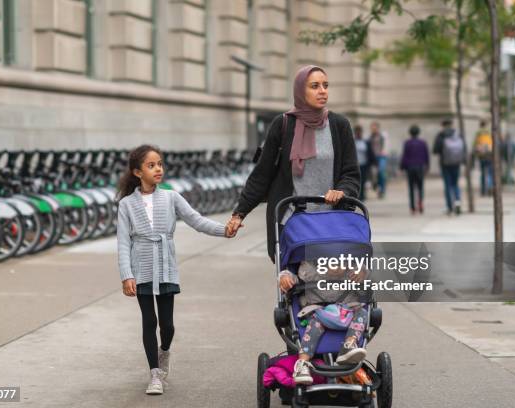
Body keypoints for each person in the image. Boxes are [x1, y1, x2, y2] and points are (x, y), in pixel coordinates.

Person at [117, 145, 235, 395]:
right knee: (149, 321)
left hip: (166, 267)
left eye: (159, 163)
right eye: (151, 165)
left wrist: (224, 230)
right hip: (142, 269)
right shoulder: (126, 205)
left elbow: (196, 220)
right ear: (138, 172)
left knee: (167, 325)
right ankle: (154, 375)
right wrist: (127, 275)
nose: (158, 169)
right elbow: (123, 243)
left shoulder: (171, 197)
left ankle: (164, 352)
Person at [226, 65, 361, 257]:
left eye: (325, 85)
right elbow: (262, 174)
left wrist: (343, 191)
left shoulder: (340, 125)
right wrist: (239, 213)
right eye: (314, 86)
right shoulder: (283, 125)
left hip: (330, 220)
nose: (322, 91)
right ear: (300, 90)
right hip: (291, 220)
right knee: (293, 283)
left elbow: (351, 172)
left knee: (329, 283)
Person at [279, 262, 368, 384]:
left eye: (341, 261)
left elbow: (366, 276)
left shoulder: (353, 271)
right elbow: (295, 278)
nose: (337, 266)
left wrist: (363, 273)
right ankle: (303, 363)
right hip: (320, 312)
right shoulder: (310, 270)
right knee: (314, 325)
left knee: (362, 312)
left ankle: (349, 345)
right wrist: (285, 277)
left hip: (346, 311)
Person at [433, 119, 466, 215]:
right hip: (456, 163)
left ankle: (450, 207)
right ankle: (458, 202)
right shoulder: (458, 134)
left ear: (443, 125)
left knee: (448, 185)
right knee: (455, 184)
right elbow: (464, 148)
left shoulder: (441, 135)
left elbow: (435, 150)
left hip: (445, 164)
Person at [400, 124, 430, 214]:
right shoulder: (423, 143)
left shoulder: (407, 143)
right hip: (420, 167)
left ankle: (412, 207)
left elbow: (405, 156)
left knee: (411, 188)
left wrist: (402, 167)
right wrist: (427, 165)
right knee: (420, 187)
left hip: (410, 168)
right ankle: (420, 202)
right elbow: (426, 155)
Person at [473, 120, 494, 196]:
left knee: (482, 173)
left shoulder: (478, 133)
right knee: (490, 173)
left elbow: (474, 145)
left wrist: (475, 154)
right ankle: (490, 186)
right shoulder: (490, 132)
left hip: (482, 156)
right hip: (490, 155)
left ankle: (483, 191)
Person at [369, 122, 389, 199]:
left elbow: (385, 146)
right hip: (373, 158)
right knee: (373, 174)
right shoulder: (370, 137)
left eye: (375, 127)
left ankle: (382, 190)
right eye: (372, 128)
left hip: (381, 157)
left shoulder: (382, 137)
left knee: (381, 172)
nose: (373, 129)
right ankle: (376, 187)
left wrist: (384, 152)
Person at [354, 125, 373, 201]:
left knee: (363, 180)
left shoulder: (365, 142)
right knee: (356, 180)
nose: (358, 134)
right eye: (357, 132)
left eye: (359, 132)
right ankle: (357, 195)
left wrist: (373, 163)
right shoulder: (352, 141)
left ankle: (362, 195)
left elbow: (370, 153)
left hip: (364, 164)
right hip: (355, 165)